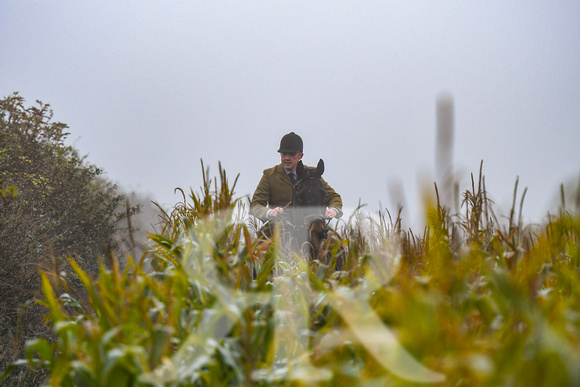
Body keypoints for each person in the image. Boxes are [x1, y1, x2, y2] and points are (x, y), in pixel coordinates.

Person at [250, 132, 343, 225]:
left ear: (300, 156)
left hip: (311, 226)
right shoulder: (269, 175)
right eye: (283, 154)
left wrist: (333, 210)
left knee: (334, 238)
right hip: (279, 226)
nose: (287, 158)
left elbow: (333, 197)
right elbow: (255, 205)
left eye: (291, 154)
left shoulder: (313, 174)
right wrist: (269, 212)